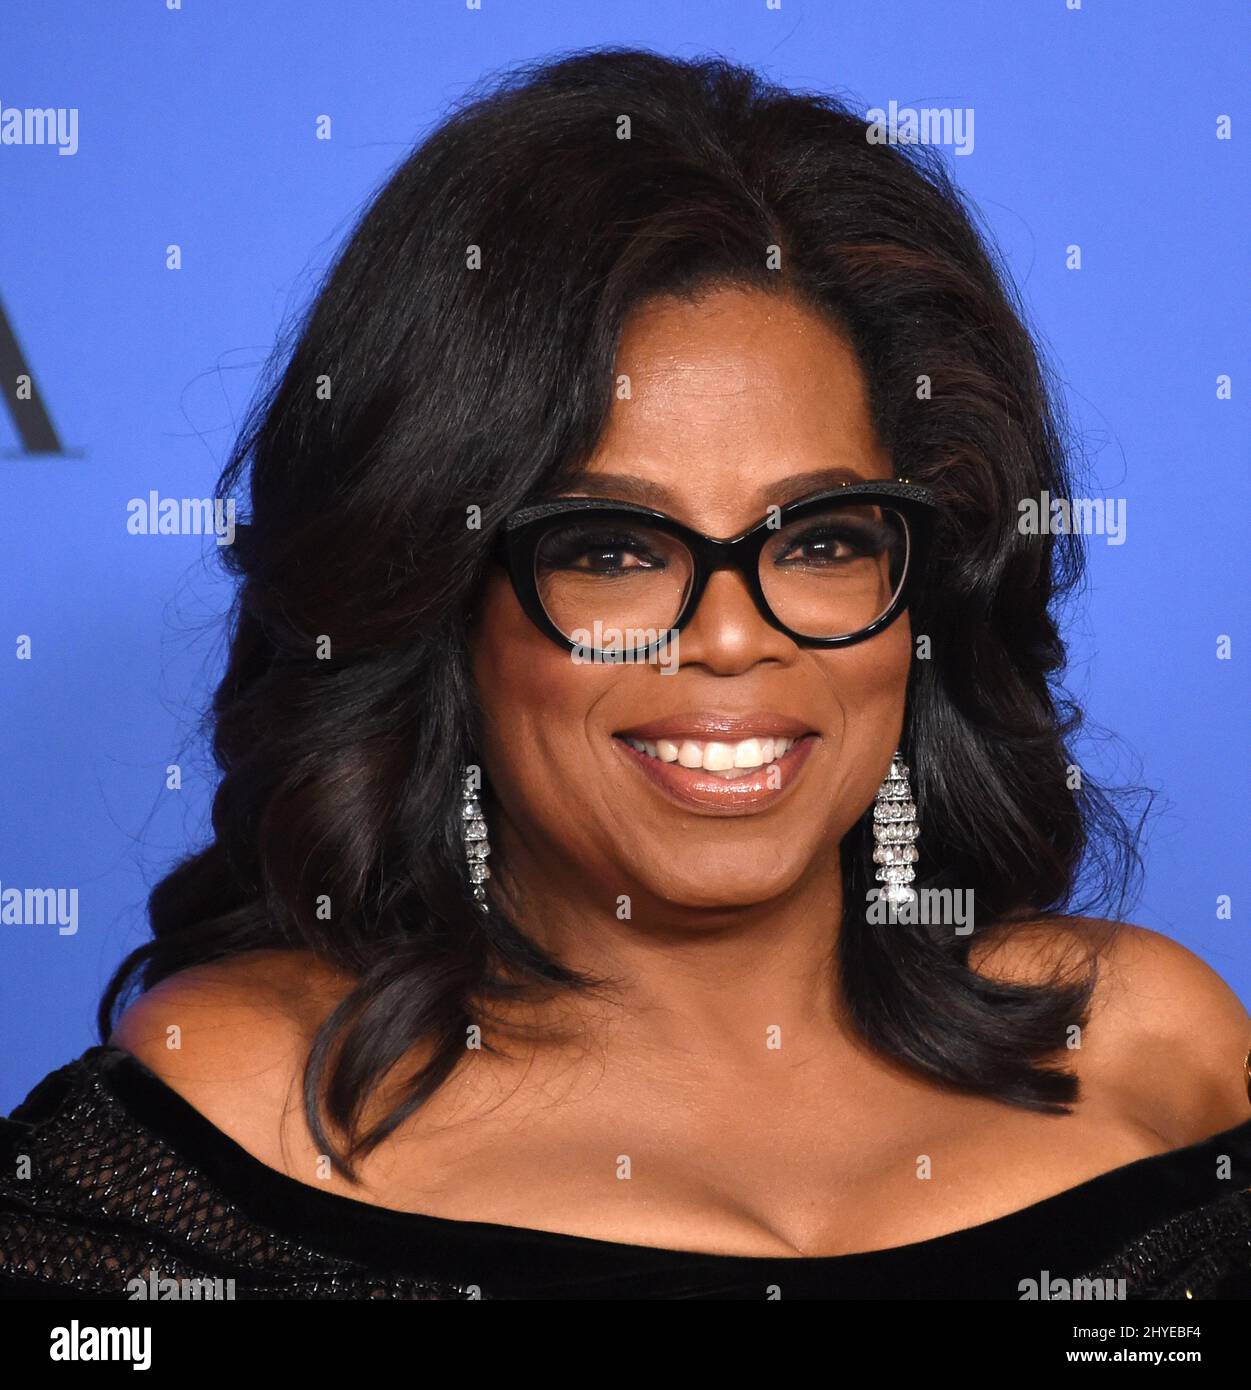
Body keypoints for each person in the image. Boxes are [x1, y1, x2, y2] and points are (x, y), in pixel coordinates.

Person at [3, 46, 1250, 1301]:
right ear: (442, 606)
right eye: (611, 549)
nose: (726, 636)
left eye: (820, 539)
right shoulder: (229, 1119)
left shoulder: (1154, 1051)